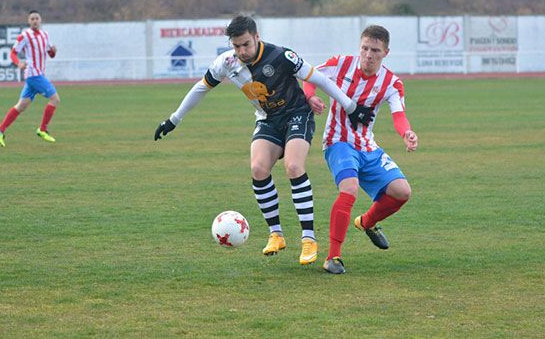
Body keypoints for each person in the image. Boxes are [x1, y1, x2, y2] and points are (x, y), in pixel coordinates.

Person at [154, 15, 373, 265]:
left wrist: (350, 106)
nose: (241, 51)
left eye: (246, 44)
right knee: (258, 169)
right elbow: (201, 88)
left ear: (257, 37)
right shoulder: (226, 62)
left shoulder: (281, 56)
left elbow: (318, 78)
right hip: (267, 119)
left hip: (297, 114)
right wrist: (174, 119)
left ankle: (309, 238)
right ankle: (276, 234)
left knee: (294, 166)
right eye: (236, 46)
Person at [303, 25, 418, 274]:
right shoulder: (340, 64)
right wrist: (310, 97)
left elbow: (399, 116)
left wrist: (406, 133)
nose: (368, 55)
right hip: (338, 142)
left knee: (402, 191)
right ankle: (333, 257)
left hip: (367, 146)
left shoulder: (392, 83)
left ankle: (366, 222)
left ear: (385, 52)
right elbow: (309, 77)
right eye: (364, 48)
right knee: (350, 188)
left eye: (375, 50)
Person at [0, 10, 59, 147]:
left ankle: (0, 130)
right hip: (33, 74)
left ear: (40, 20)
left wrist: (54, 51)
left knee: (21, 106)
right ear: (29, 21)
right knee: (55, 99)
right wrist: (18, 63)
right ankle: (42, 130)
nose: (35, 21)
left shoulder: (45, 35)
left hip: (38, 74)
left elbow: (50, 54)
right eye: (32, 19)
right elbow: (13, 53)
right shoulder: (25, 36)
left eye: (37, 18)